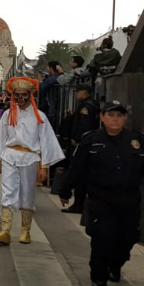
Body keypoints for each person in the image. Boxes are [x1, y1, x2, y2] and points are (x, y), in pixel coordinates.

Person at [59, 101, 144, 286]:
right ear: (103, 117)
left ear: (124, 118)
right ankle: (99, 276)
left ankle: (115, 265)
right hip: (101, 197)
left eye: (119, 116)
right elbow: (77, 168)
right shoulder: (91, 140)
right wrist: (66, 191)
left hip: (129, 198)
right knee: (102, 237)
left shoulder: (137, 140)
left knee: (128, 237)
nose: (115, 119)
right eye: (111, 115)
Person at [0, 77, 66, 245]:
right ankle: (5, 231)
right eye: (17, 95)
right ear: (13, 96)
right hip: (10, 156)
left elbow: (46, 140)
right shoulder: (8, 114)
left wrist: (44, 166)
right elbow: (1, 137)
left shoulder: (40, 116)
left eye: (24, 95)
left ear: (30, 96)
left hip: (30, 158)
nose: (20, 98)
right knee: (8, 192)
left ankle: (25, 231)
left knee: (28, 193)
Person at [61, 83, 100, 214]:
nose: (77, 95)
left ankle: (79, 204)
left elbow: (84, 126)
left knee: (79, 174)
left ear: (84, 92)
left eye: (78, 92)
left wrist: (77, 139)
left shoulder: (87, 107)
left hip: (82, 145)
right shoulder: (90, 105)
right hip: (84, 144)